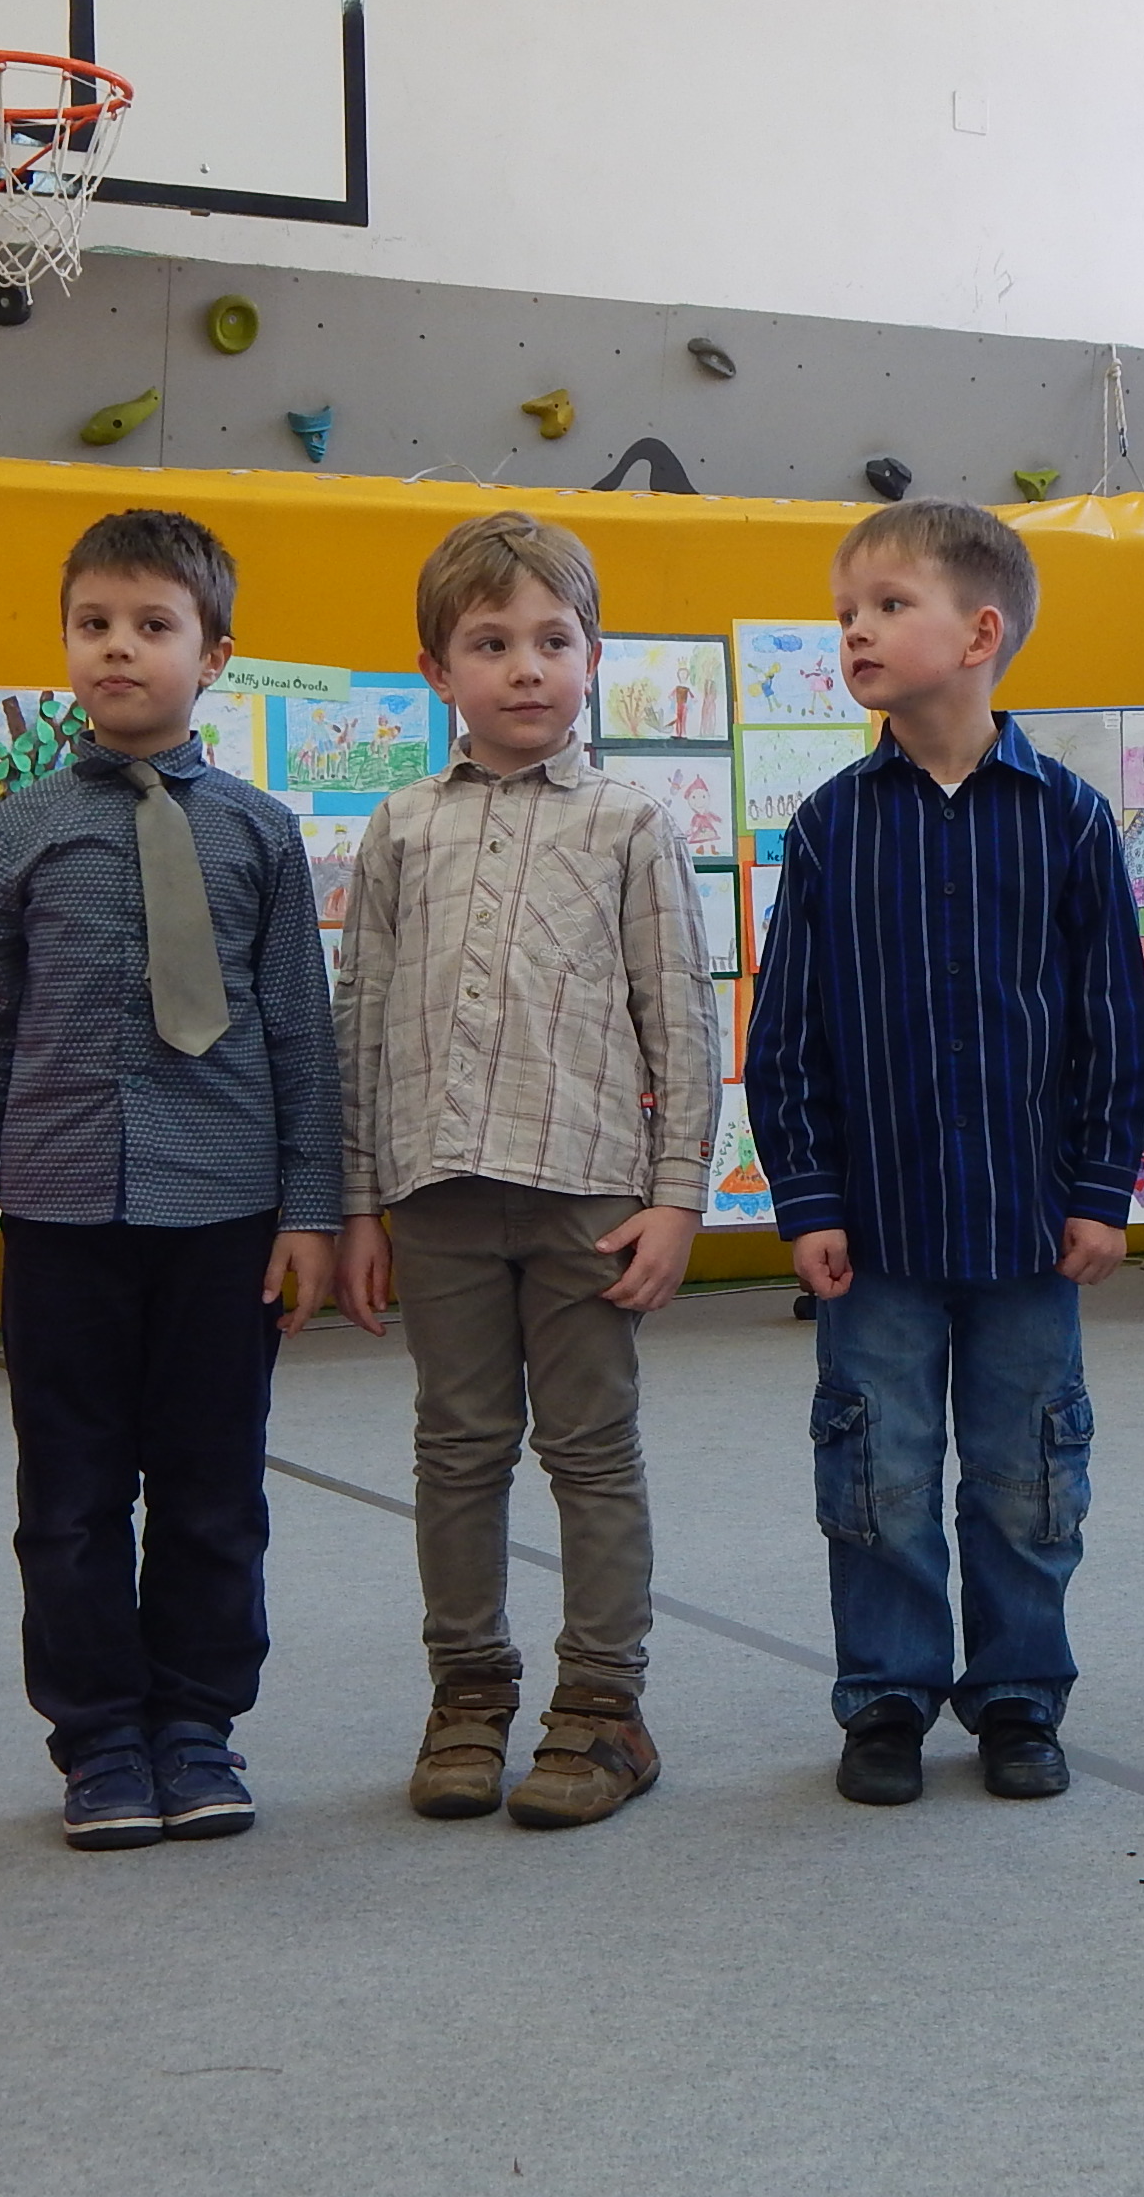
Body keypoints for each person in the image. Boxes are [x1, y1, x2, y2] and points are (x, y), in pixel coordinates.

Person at [0, 510, 340, 1851]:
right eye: (93, 624)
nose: (118, 648)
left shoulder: (260, 833)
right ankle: (100, 1737)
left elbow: (299, 1032)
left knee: (214, 1488)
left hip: (222, 1215)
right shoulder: (23, 828)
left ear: (212, 654)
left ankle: (197, 1726)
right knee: (69, 1494)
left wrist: (312, 1211)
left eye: (152, 626)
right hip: (62, 1213)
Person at [745, 497, 1144, 1806]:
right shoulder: (829, 828)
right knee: (876, 1467)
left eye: (887, 606)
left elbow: (1115, 1026)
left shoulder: (1070, 821)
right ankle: (886, 1697)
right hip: (875, 1230)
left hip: (1029, 1228)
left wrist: (1101, 1189)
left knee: (1030, 1473)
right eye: (845, 614)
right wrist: (807, 1195)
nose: (855, 632)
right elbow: (787, 1035)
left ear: (980, 635)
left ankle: (1021, 1697)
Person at [331, 513, 718, 1830]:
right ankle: (466, 1695)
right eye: (491, 643)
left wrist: (677, 1198)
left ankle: (605, 1707)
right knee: (456, 1450)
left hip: (589, 1197)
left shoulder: (631, 823)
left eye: (554, 641)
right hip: (437, 1195)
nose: (526, 668)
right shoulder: (402, 827)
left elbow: (682, 1020)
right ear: (437, 669)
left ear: (594, 656)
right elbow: (362, 1020)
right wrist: (358, 1202)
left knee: (592, 1451)